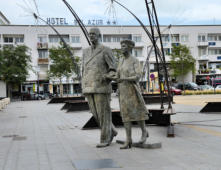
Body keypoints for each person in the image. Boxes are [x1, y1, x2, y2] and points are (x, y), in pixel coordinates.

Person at [82, 27, 117, 148]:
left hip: (101, 87)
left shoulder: (106, 50)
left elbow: (114, 69)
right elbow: (84, 70)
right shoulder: (85, 51)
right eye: (89, 34)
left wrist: (107, 76)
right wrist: (83, 85)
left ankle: (105, 138)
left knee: (103, 114)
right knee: (95, 114)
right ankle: (112, 130)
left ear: (99, 35)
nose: (91, 36)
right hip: (89, 87)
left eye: (93, 34)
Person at [115, 39, 149, 149]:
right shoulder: (120, 60)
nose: (122, 48)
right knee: (125, 115)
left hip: (133, 90)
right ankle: (128, 139)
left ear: (130, 47)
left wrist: (125, 78)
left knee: (138, 112)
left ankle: (144, 132)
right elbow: (118, 75)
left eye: (124, 46)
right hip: (123, 91)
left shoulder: (135, 60)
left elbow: (138, 76)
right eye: (121, 46)